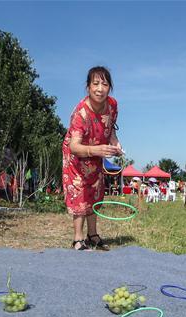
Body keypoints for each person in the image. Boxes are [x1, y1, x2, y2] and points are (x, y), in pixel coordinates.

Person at [61, 66, 122, 250]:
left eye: (105, 84)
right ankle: (78, 239)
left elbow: (110, 129)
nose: (100, 89)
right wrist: (95, 150)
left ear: (110, 88)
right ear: (88, 87)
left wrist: (115, 143)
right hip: (76, 156)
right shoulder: (80, 113)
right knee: (80, 192)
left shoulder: (112, 105)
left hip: (97, 152)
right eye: (95, 84)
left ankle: (93, 235)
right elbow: (74, 146)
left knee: (95, 191)